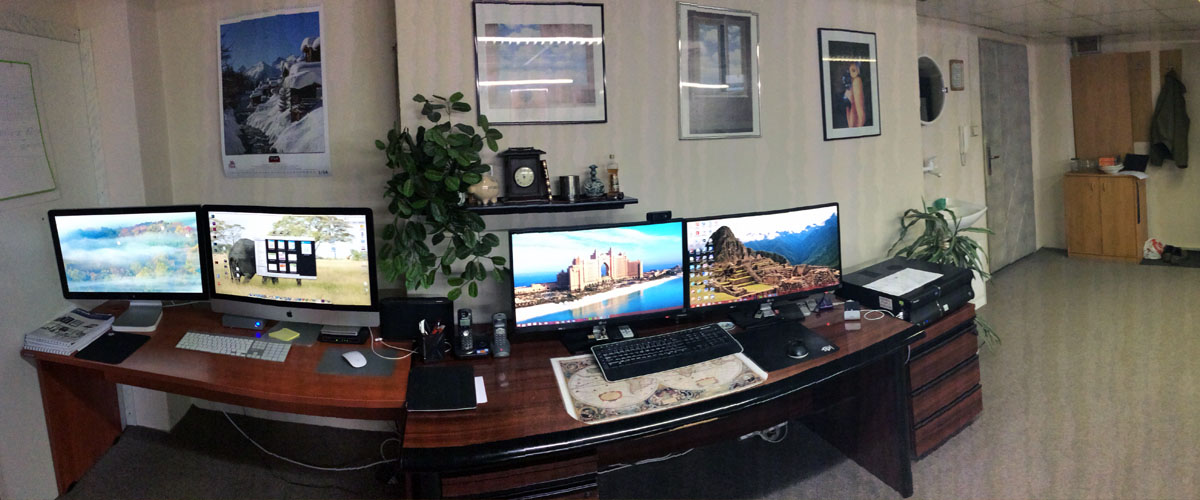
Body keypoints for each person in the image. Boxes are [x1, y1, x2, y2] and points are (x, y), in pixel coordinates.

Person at [843, 62, 865, 128]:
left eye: (853, 70)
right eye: (851, 71)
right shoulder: (855, 81)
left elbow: (861, 114)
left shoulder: (857, 81)